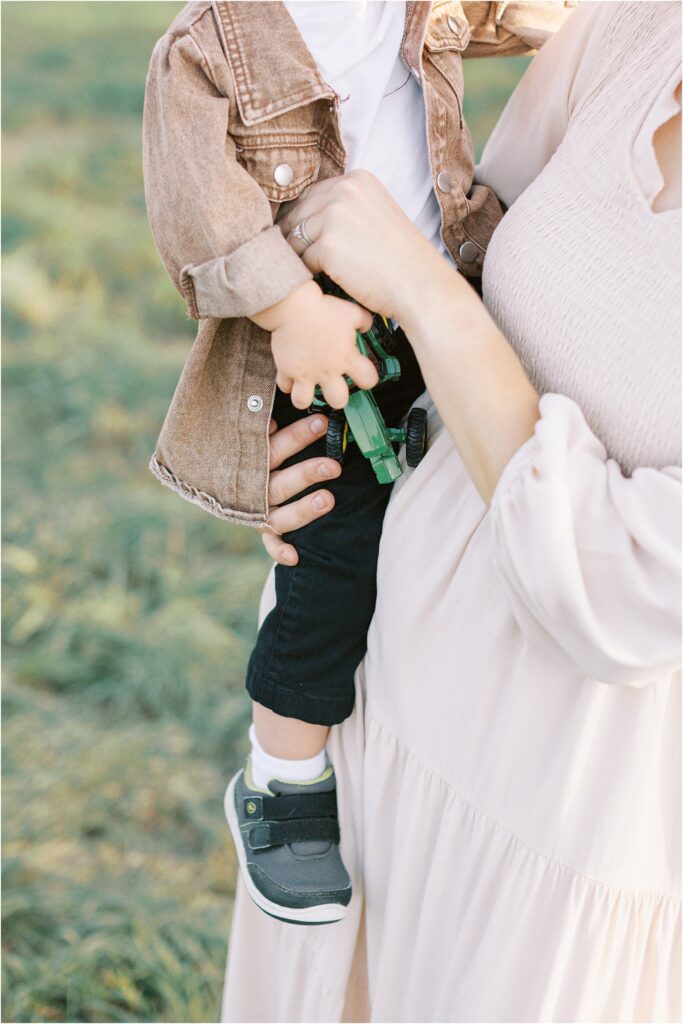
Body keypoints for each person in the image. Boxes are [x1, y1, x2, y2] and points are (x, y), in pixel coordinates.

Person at [222, 2, 682, 1020]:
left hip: (558, 817)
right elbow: (462, 238)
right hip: (375, 682)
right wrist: (317, 441)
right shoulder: (645, 27)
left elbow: (627, 588)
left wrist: (425, 296)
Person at [143, 0, 571, 924]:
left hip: (440, 291)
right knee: (328, 559)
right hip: (321, 327)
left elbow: (511, 19)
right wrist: (290, 309)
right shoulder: (209, 47)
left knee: (460, 508)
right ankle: (283, 779)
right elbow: (198, 213)